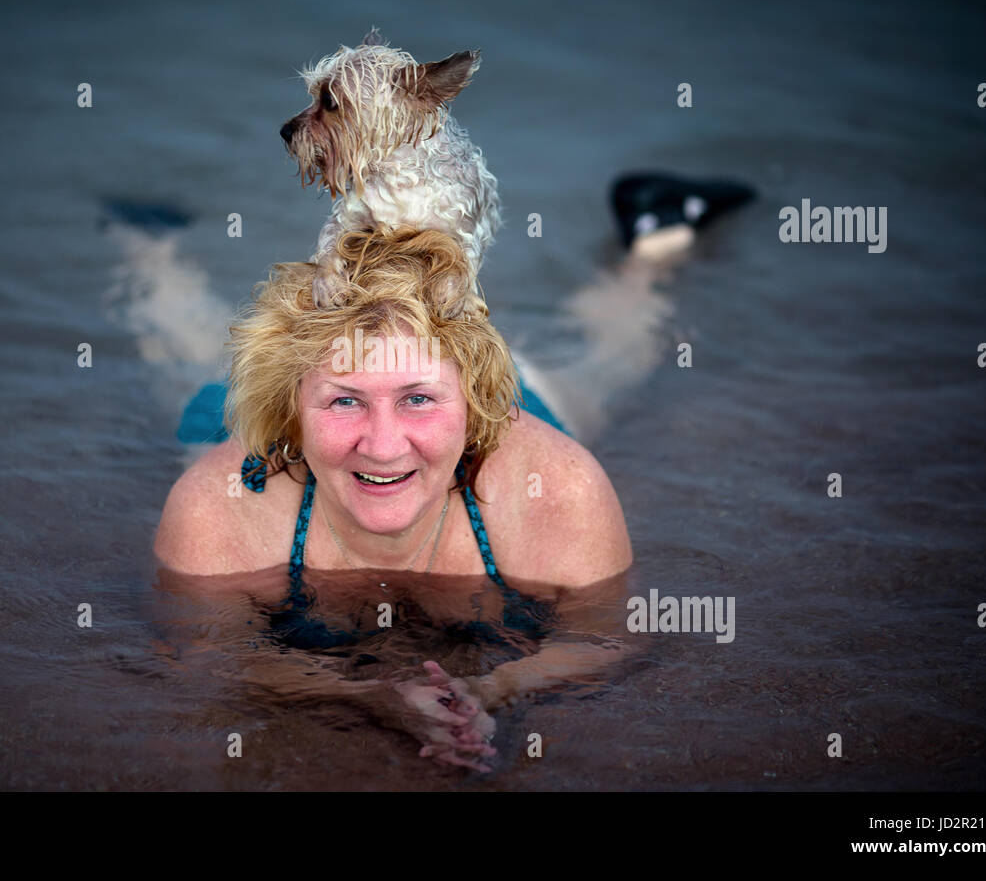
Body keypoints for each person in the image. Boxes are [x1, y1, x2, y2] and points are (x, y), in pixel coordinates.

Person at [155, 226, 632, 772]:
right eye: (345, 402)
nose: (383, 447)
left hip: (508, 412)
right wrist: (367, 697)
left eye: (418, 400)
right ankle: (151, 250)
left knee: (608, 368)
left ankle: (652, 254)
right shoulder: (217, 506)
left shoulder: (556, 484)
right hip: (239, 420)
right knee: (188, 358)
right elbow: (204, 657)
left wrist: (497, 687)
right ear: (291, 412)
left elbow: (604, 638)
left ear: (474, 405)